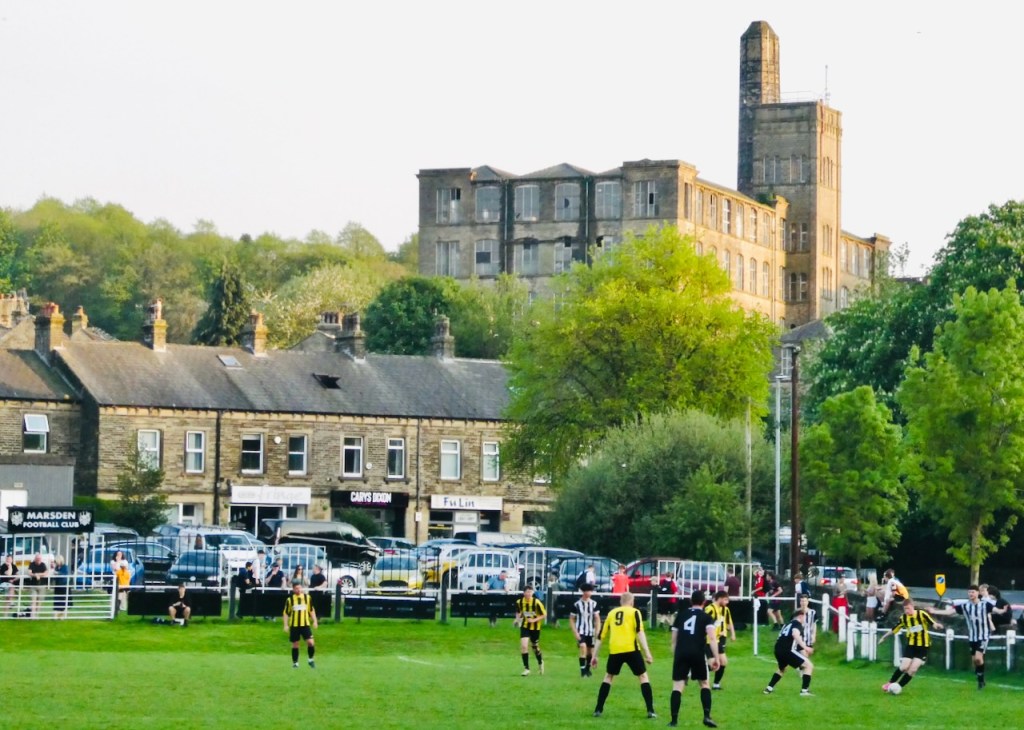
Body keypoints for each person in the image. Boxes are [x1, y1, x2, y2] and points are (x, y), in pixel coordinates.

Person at [591, 592, 656, 719]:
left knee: (608, 677)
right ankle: (650, 710)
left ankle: (598, 709)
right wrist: (647, 653)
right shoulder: (634, 612)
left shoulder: (611, 613)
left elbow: (601, 636)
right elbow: (640, 632)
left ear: (620, 602)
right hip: (631, 649)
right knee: (643, 677)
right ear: (632, 602)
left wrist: (594, 655)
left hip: (615, 650)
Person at [933, 584, 1008, 689]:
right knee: (975, 662)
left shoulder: (985, 604)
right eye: (969, 592)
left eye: (973, 592)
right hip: (972, 637)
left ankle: (981, 681)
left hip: (983, 635)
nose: (971, 594)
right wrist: (935, 611)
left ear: (977, 593)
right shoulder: (965, 606)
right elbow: (949, 612)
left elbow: (996, 610)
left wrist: (1003, 611)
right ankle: (980, 679)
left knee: (978, 658)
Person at [670, 590, 720, 728]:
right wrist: (716, 658)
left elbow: (673, 640)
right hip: (697, 653)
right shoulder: (706, 617)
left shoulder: (681, 615)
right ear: (704, 602)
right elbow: (712, 638)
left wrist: (676, 655)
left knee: (677, 687)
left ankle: (674, 721)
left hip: (681, 652)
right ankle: (707, 716)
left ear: (690, 601)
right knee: (704, 684)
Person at [877, 599, 943, 692]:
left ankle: (898, 687)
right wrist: (884, 637)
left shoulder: (921, 614)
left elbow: (933, 623)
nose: (907, 611)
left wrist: (937, 625)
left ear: (913, 607)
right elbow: (894, 629)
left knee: (912, 670)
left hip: (923, 646)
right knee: (904, 667)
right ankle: (890, 683)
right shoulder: (904, 618)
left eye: (908, 608)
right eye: (905, 609)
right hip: (911, 646)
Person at [763, 608, 815, 696]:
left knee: (782, 669)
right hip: (788, 650)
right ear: (800, 616)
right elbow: (795, 634)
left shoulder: (787, 624)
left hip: (778, 649)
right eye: (805, 617)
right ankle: (804, 691)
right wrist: (806, 647)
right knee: (809, 666)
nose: (805, 619)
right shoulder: (797, 624)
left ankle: (768, 689)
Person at [283, 580, 318, 668]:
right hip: (294, 625)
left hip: (305, 624)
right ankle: (295, 663)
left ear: (301, 588)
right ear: (293, 589)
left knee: (310, 642)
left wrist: (315, 621)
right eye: (296, 589)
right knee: (295, 644)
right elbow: (286, 613)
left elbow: (311, 610)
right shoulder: (290, 600)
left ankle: (311, 660)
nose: (298, 590)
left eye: (299, 588)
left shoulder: (307, 598)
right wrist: (286, 625)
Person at [705, 590, 736, 690]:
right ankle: (694, 670)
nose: (727, 602)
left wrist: (732, 634)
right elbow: (703, 622)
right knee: (713, 663)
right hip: (707, 640)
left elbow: (729, 622)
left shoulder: (725, 609)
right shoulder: (710, 609)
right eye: (726, 600)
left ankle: (716, 684)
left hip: (717, 640)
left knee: (723, 662)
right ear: (721, 599)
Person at [514, 585, 546, 676]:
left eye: (530, 592)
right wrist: (517, 620)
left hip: (535, 628)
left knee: (535, 647)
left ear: (532, 593)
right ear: (524, 593)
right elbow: (518, 612)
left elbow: (544, 615)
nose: (528, 594)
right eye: (527, 592)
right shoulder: (519, 602)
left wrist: (533, 620)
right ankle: (526, 668)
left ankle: (540, 662)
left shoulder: (537, 602)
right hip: (525, 626)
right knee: (524, 646)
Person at [570, 583, 601, 677]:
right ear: (583, 591)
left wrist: (597, 631)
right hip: (581, 630)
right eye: (587, 591)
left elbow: (597, 618)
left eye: (590, 591)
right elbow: (571, 619)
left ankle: (587, 669)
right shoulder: (577, 604)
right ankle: (583, 671)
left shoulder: (594, 604)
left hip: (590, 631)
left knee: (590, 651)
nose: (589, 593)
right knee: (583, 646)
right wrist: (575, 632)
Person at [27, 552, 49, 618]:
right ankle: (32, 615)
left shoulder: (43, 564)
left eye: (39, 559)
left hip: (42, 585)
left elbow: (46, 572)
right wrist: (35, 575)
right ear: (35, 559)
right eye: (37, 558)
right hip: (33, 585)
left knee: (39, 601)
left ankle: (37, 615)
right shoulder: (32, 564)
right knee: (33, 600)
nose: (38, 560)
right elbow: (29, 572)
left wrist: (38, 574)